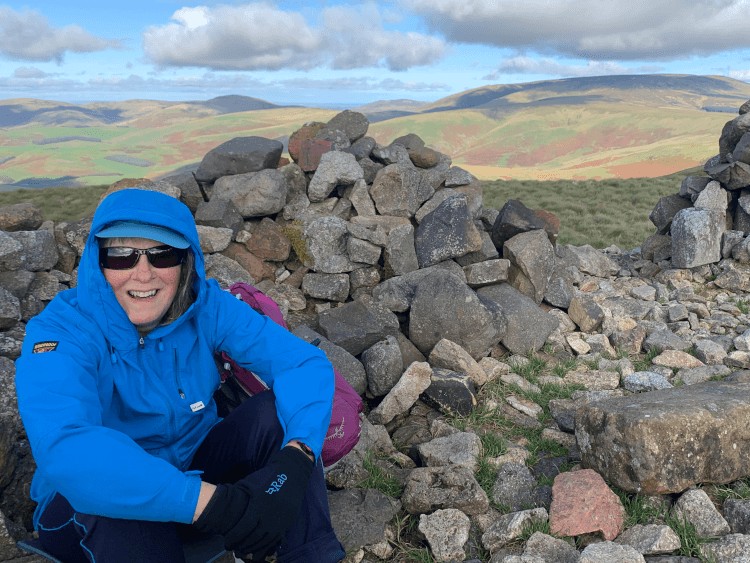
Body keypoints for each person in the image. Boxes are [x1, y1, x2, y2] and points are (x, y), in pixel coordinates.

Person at [15, 188, 346, 563]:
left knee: (277, 414)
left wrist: (295, 462)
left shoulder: (206, 306)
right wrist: (217, 505)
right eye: (121, 255)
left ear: (185, 261)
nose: (143, 273)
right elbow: (67, 447)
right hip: (97, 512)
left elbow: (302, 363)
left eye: (162, 254)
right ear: (98, 262)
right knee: (108, 486)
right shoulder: (62, 333)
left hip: (197, 476)